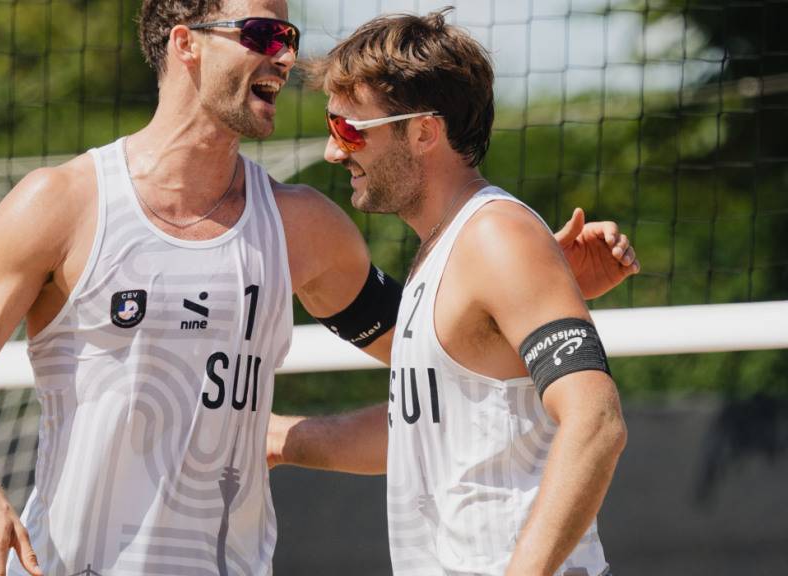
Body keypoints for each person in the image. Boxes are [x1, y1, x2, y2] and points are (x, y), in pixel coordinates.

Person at [0, 1, 637, 575]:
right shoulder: (62, 203)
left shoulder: (305, 226)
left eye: (288, 36)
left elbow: (475, 371)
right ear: (186, 44)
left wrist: (532, 286)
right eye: (261, 32)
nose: (283, 54)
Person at [267, 9, 629, 576]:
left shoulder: (496, 236)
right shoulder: (448, 249)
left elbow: (597, 421)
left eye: (349, 129)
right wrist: (280, 439)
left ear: (423, 132)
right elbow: (424, 435)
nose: (336, 151)